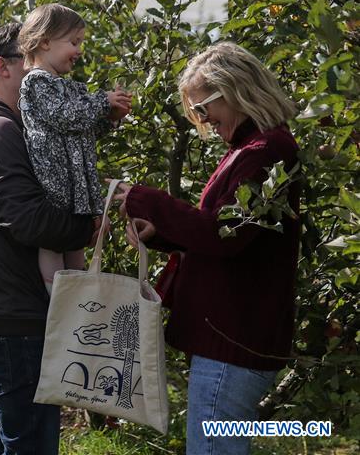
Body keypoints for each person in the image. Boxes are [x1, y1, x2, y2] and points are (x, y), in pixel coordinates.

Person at [114, 42, 300, 455]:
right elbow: (224, 235)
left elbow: (226, 234)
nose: (202, 120)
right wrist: (158, 233)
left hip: (235, 337)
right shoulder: (248, 151)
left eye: (204, 108)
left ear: (235, 89)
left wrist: (148, 200)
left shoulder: (267, 152)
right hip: (231, 333)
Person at [0, 23, 98, 454]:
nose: (38, 69)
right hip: (12, 319)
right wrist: (87, 226)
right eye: (28, 58)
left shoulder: (4, 129)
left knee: (10, 442)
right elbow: (26, 219)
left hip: (1, 313)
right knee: (28, 445)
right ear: (4, 67)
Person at [17, 3, 132, 292]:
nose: (79, 50)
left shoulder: (65, 86)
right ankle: (56, 304)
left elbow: (81, 129)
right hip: (55, 191)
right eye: (73, 42)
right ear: (45, 42)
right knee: (54, 256)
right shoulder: (37, 83)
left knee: (77, 261)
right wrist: (102, 102)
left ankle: (74, 306)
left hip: (74, 192)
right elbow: (66, 116)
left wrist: (111, 120)